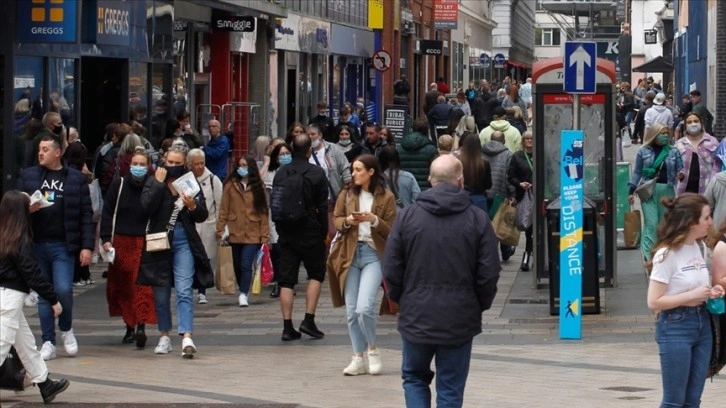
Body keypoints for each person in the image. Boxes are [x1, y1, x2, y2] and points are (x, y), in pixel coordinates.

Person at [382, 155, 501, 408]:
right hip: (459, 316)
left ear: (430, 181)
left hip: (416, 314)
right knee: (450, 387)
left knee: (414, 377)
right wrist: (479, 303)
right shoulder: (477, 219)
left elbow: (392, 265)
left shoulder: (408, 217)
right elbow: (489, 271)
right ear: (461, 181)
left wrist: (400, 297)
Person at [17, 135, 94, 361]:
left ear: (58, 153)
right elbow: (15, 206)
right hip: (36, 244)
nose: (40, 153)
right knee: (44, 293)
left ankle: (67, 328)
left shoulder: (75, 179)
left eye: (45, 149)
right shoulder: (28, 175)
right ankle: (48, 341)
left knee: (62, 290)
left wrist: (87, 246)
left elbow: (86, 215)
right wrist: (26, 208)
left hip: (63, 245)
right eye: (39, 149)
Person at [646, 193, 723, 407]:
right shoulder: (666, 254)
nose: (710, 222)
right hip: (675, 326)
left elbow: (695, 285)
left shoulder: (699, 247)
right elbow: (654, 301)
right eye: (706, 217)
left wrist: (711, 290)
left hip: (702, 323)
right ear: (691, 222)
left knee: (693, 399)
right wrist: (693, 295)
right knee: (674, 400)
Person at [139, 144, 212, 358]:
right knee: (160, 291)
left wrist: (192, 206)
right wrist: (158, 185)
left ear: (184, 165)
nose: (172, 166)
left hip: (183, 239)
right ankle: (164, 335)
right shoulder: (154, 181)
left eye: (177, 163)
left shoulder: (188, 183)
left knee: (183, 288)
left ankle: (187, 335)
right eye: (169, 162)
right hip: (160, 240)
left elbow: (202, 214)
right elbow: (145, 208)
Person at [329, 155, 397, 376]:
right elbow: (337, 219)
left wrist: (373, 219)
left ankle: (373, 350)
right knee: (351, 311)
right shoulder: (347, 194)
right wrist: (348, 221)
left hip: (373, 255)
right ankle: (357, 357)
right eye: (353, 169)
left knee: (364, 308)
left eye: (359, 169)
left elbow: (392, 230)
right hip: (349, 254)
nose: (354, 173)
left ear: (371, 172)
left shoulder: (386, 197)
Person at [0, 191, 70, 403]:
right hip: (9, 298)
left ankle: (44, 383)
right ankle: (45, 383)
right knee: (2, 343)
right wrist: (52, 298)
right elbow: (31, 272)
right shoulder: (19, 238)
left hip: (5, 296)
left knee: (25, 343)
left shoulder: (4, 234)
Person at [272, 134, 328, 341]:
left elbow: (275, 204)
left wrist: (279, 229)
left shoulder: (281, 173)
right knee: (315, 274)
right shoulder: (317, 173)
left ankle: (287, 326)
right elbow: (322, 207)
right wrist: (323, 232)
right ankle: (309, 320)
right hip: (310, 230)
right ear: (309, 151)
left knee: (286, 280)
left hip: (286, 232)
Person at [100, 147, 157, 347]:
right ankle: (129, 325)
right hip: (121, 241)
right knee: (124, 286)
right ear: (129, 165)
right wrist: (106, 239)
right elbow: (107, 212)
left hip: (145, 241)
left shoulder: (154, 186)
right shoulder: (119, 185)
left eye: (143, 164)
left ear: (149, 166)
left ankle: (140, 324)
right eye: (135, 164)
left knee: (142, 286)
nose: (139, 168)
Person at [216, 156, 269, 307]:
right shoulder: (230, 185)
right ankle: (242, 287)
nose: (242, 168)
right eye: (240, 165)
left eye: (245, 165)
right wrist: (220, 228)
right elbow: (224, 208)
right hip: (234, 231)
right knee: (237, 265)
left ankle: (244, 294)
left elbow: (264, 212)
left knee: (246, 264)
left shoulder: (258, 186)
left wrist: (265, 236)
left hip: (253, 232)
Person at [629, 124, 684, 262]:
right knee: (651, 223)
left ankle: (663, 255)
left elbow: (680, 169)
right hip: (649, 191)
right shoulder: (643, 151)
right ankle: (649, 257)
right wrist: (631, 190)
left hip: (667, 190)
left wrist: (681, 175)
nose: (665, 135)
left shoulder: (673, 151)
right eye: (662, 133)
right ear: (654, 134)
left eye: (667, 133)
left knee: (665, 224)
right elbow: (637, 172)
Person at [188, 149, 223, 305]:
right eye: (197, 164)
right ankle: (190, 287)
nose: (200, 167)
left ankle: (202, 291)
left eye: (202, 163)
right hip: (191, 225)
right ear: (190, 165)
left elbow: (220, 204)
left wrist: (220, 226)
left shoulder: (213, 180)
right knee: (190, 259)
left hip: (207, 225)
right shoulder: (185, 180)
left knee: (205, 260)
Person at [308, 123, 351, 241]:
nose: (311, 137)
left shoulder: (332, 148)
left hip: (331, 199)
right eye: (308, 135)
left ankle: (330, 257)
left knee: (332, 232)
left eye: (313, 134)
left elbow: (345, 167)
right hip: (311, 201)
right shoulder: (305, 151)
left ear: (320, 135)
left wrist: (348, 186)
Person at [483, 131, 516, 261]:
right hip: (500, 193)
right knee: (502, 223)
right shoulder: (508, 154)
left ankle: (489, 251)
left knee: (487, 224)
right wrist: (512, 193)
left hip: (485, 192)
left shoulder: (481, 152)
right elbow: (509, 176)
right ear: (503, 141)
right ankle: (505, 251)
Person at [264, 143, 291, 298]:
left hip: (291, 215)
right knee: (277, 249)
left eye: (287, 153)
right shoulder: (271, 173)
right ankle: (279, 282)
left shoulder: (295, 170)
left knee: (287, 251)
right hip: (274, 214)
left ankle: (286, 283)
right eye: (281, 154)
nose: (285, 156)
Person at [674, 112, 719, 196]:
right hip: (684, 191)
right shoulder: (679, 144)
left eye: (696, 121)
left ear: (701, 123)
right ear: (685, 125)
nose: (693, 124)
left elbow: (717, 166)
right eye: (689, 122)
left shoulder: (713, 142)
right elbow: (674, 167)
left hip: (707, 190)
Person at [509, 131, 535, 271]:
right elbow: (511, 176)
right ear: (523, 141)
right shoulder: (517, 157)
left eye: (531, 139)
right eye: (527, 139)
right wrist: (519, 184)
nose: (529, 141)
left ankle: (533, 254)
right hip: (524, 196)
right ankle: (527, 255)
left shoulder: (540, 155)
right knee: (528, 227)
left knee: (537, 228)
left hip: (537, 195)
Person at [397, 117, 439, 191]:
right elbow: (437, 171)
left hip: (405, 188)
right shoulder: (431, 149)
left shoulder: (399, 148)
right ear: (427, 130)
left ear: (412, 129)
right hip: (425, 189)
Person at [459, 135, 492, 213]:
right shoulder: (484, 163)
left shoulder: (458, 161)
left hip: (461, 197)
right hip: (479, 198)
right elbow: (488, 185)